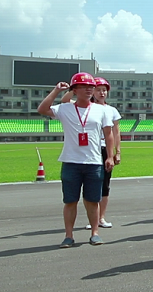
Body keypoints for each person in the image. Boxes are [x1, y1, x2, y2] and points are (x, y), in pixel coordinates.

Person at [38, 72, 115, 248]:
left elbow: (108, 134)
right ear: (74, 89)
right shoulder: (65, 108)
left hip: (93, 162)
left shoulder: (101, 110)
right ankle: (68, 235)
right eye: (84, 86)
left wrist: (110, 156)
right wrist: (56, 91)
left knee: (92, 200)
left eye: (91, 87)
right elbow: (42, 109)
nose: (89, 89)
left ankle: (95, 233)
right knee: (70, 200)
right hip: (71, 161)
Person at [62, 77, 122, 230]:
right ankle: (92, 218)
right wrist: (72, 89)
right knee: (87, 186)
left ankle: (101, 217)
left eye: (104, 90)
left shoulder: (111, 110)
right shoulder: (83, 107)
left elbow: (115, 132)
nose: (101, 93)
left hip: (105, 149)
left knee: (104, 184)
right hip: (90, 148)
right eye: (98, 89)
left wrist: (117, 152)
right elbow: (64, 101)